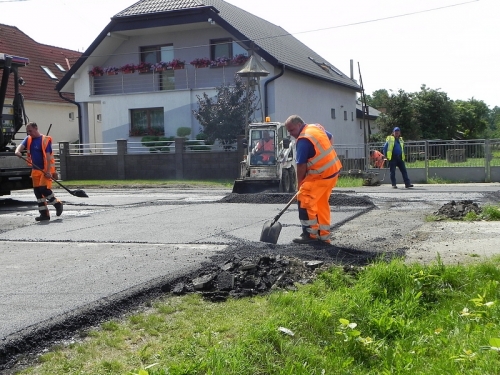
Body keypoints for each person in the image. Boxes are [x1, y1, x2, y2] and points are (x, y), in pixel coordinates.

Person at [284, 115, 342, 245]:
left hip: (321, 175)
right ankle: (323, 236)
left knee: (304, 198)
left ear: (299, 125)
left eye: (292, 130)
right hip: (332, 172)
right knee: (321, 203)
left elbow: (301, 165)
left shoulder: (303, 140)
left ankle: (310, 234)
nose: (291, 134)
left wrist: (300, 185)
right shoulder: (315, 128)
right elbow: (330, 137)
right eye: (288, 131)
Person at [15, 122, 63, 221]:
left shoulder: (45, 140)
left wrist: (49, 171)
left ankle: (57, 203)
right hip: (35, 170)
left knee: (43, 189)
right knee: (38, 193)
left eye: (30, 131)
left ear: (36, 128)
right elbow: (20, 147)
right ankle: (44, 214)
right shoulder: (28, 139)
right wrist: (17, 151)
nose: (29, 133)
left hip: (45, 170)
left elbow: (49, 157)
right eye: (27, 131)